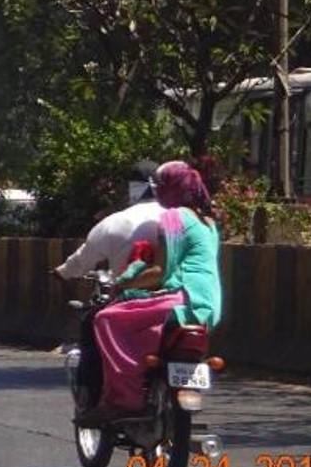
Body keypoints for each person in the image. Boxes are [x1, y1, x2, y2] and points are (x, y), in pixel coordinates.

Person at [89, 160, 224, 416]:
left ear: (172, 189)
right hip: (208, 306)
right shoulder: (209, 222)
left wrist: (123, 283)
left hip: (183, 299)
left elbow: (160, 273)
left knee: (106, 319)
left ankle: (126, 398)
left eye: (162, 186)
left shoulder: (173, 218)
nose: (157, 191)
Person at [52, 181, 163, 280]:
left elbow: (84, 258)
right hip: (176, 294)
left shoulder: (115, 221)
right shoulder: (177, 217)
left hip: (127, 295)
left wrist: (63, 272)